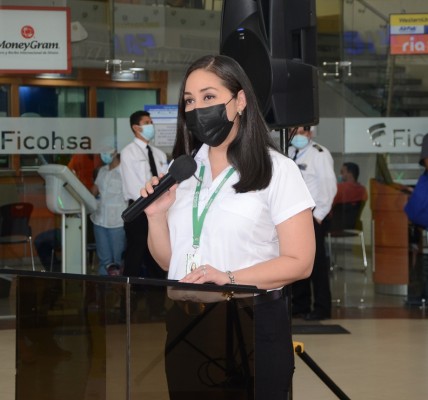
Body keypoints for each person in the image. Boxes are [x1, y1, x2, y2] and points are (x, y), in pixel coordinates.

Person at [141, 55, 315, 399]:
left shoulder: (277, 170)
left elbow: (301, 261)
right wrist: (156, 215)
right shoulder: (182, 172)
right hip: (185, 322)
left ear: (239, 101)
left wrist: (229, 277)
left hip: (250, 320)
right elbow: (169, 262)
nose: (197, 108)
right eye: (189, 100)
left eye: (208, 97)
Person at [120, 110, 168, 317]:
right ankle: (127, 306)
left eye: (151, 122)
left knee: (156, 257)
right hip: (138, 209)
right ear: (136, 127)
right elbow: (133, 187)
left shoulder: (158, 154)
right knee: (135, 255)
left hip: (158, 210)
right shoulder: (128, 153)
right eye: (146, 122)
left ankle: (156, 305)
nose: (151, 126)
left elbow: (166, 182)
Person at [288, 126, 337, 321]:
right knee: (297, 261)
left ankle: (322, 307)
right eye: (295, 131)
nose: (299, 135)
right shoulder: (289, 152)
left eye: (303, 131)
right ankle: (300, 305)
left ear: (310, 133)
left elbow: (329, 187)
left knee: (317, 266)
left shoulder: (320, 154)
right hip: (294, 218)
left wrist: (319, 215)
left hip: (314, 216)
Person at [90, 147, 128, 275]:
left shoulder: (125, 172)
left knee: (118, 262)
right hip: (99, 221)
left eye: (107, 150)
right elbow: (93, 192)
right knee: (104, 262)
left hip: (117, 223)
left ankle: (120, 293)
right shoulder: (102, 170)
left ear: (116, 151)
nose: (103, 153)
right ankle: (103, 292)